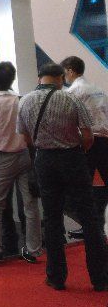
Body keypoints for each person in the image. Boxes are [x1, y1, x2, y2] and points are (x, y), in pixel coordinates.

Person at [17, 63, 107, 291]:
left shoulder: (24, 101)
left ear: (40, 78)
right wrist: (78, 149)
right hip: (72, 158)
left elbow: (25, 138)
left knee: (52, 218)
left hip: (44, 161)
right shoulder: (71, 99)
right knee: (89, 217)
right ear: (59, 78)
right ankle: (100, 277)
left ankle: (56, 277)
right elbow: (88, 136)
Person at [0, 62, 42, 265]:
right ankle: (33, 249)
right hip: (24, 155)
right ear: (12, 80)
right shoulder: (21, 101)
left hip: (3, 157)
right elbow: (29, 133)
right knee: (30, 204)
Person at [62, 55, 108, 230]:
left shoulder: (73, 92)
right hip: (105, 140)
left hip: (87, 142)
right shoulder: (98, 89)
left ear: (70, 71)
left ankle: (89, 226)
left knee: (83, 187)